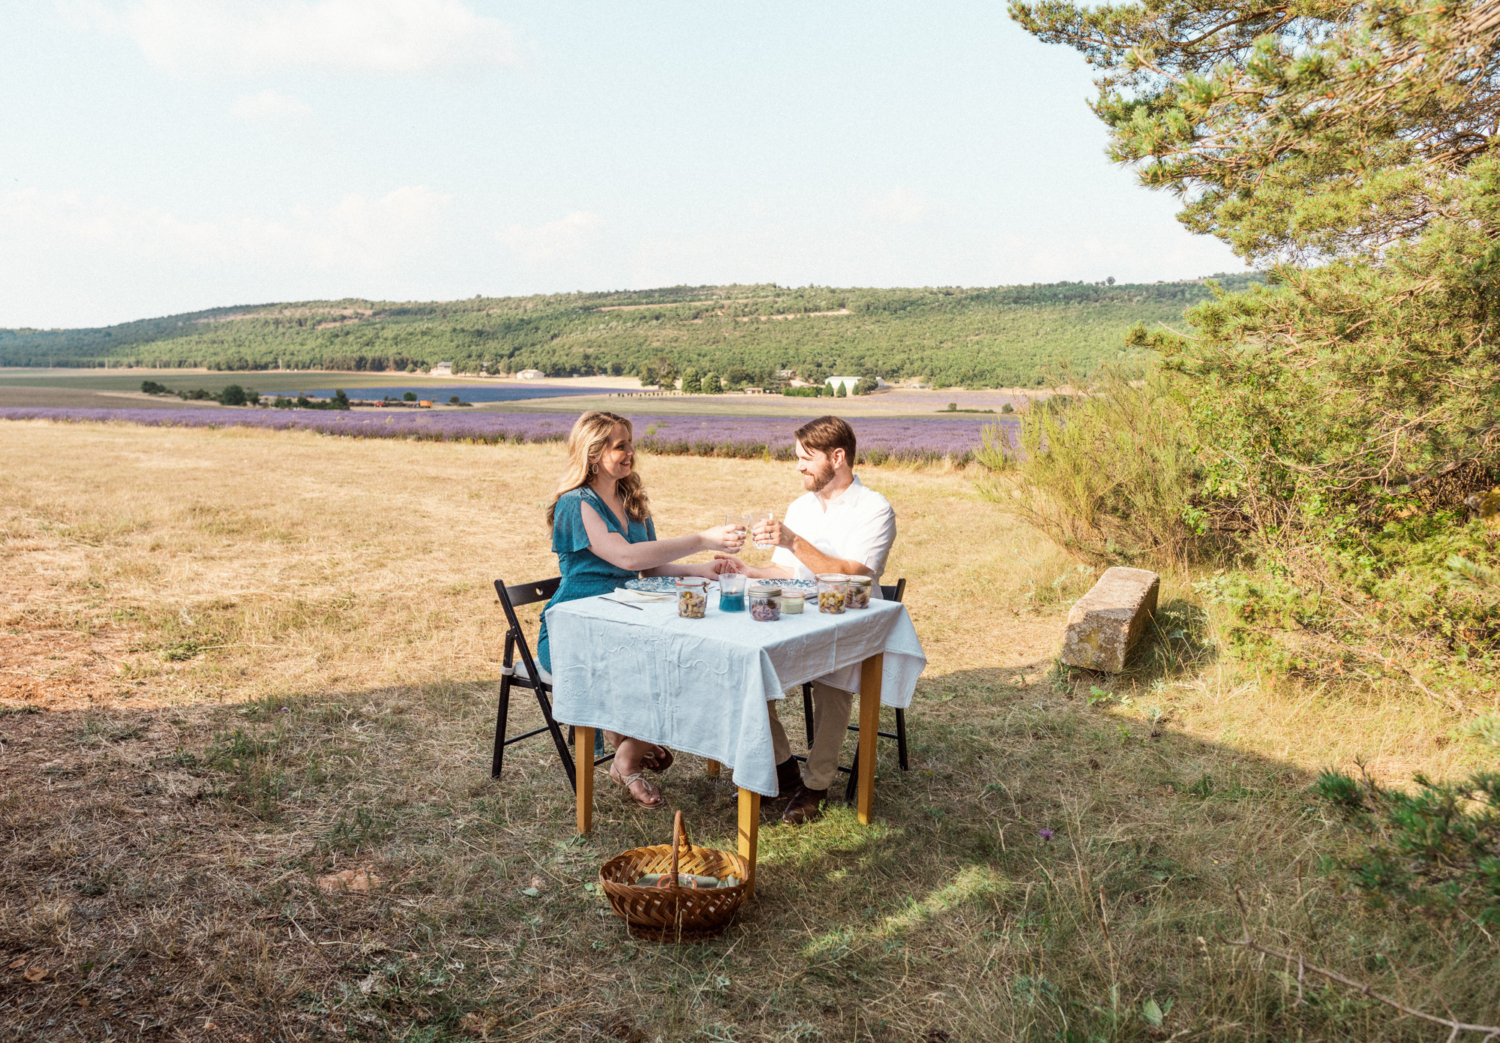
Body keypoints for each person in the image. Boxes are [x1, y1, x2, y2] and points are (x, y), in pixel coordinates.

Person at [537, 410, 745, 808]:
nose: (631, 452)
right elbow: (627, 559)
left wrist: (702, 570)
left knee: (687, 660)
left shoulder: (630, 498)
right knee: (666, 667)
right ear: (594, 452)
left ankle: (627, 751)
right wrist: (701, 538)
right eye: (621, 445)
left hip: (631, 613)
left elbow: (648, 567)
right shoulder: (574, 503)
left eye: (631, 443)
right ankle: (630, 752)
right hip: (579, 626)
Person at [719, 416, 897, 824]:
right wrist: (746, 571)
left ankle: (816, 784)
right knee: (747, 666)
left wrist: (792, 540)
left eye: (805, 458)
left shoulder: (874, 508)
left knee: (833, 685)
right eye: (796, 457)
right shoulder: (800, 506)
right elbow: (785, 572)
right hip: (798, 615)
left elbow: (854, 574)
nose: (797, 466)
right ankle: (782, 770)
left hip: (851, 619)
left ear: (838, 457)